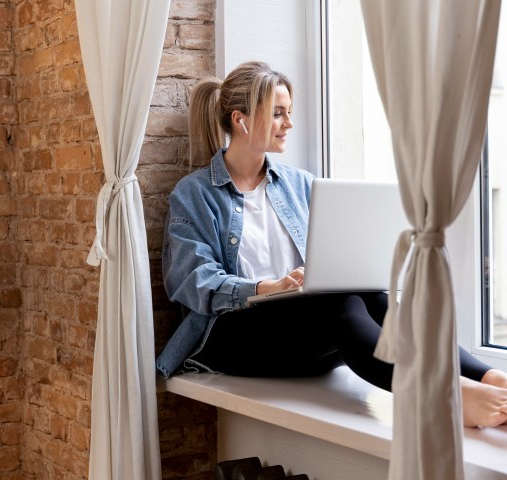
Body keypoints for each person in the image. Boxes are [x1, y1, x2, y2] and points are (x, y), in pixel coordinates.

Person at [156, 60, 507, 428]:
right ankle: (441, 397)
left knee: (373, 295)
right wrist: (264, 288)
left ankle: (488, 377)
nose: (289, 123)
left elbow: (334, 264)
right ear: (241, 120)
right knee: (336, 302)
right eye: (278, 114)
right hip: (229, 337)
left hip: (304, 338)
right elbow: (191, 282)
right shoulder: (194, 194)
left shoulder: (300, 184)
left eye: (289, 112)